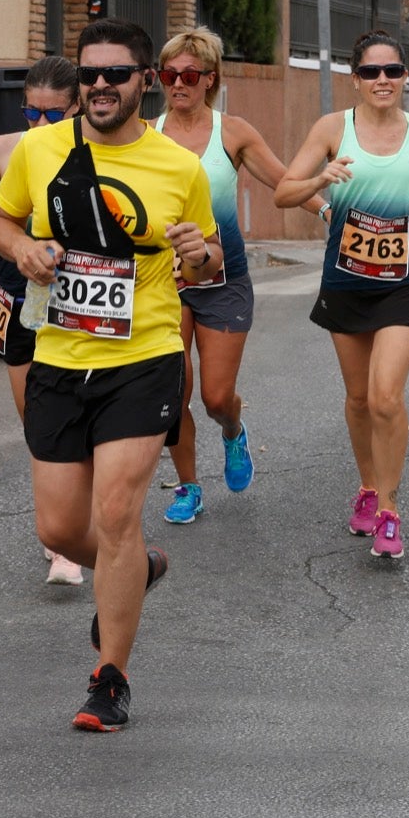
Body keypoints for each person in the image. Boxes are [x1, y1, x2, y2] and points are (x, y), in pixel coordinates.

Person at [0, 18, 221, 731]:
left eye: (116, 74)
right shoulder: (40, 147)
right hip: (57, 356)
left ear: (144, 81)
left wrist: (195, 251)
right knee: (60, 527)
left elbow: (209, 261)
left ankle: (109, 678)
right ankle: (138, 568)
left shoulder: (177, 166)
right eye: (90, 73)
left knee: (115, 514)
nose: (99, 86)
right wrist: (22, 246)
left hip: (143, 357)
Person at [275, 30, 409, 559]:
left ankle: (390, 509)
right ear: (355, 79)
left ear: (405, 76)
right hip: (347, 276)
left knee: (386, 396)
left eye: (392, 71)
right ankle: (368, 486)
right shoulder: (332, 129)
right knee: (357, 398)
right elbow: (284, 192)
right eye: (371, 72)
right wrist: (320, 179)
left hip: (405, 278)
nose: (382, 81)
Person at [154, 27, 315, 524]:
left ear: (210, 79)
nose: (177, 84)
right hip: (165, 282)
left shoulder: (234, 133)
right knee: (172, 391)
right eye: (168, 75)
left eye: (188, 75)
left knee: (216, 396)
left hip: (224, 279)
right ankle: (188, 487)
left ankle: (233, 432)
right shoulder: (146, 135)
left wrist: (331, 211)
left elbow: (285, 182)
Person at [0, 56, 85, 586]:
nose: (40, 125)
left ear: (76, 108)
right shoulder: (7, 149)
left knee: (85, 414)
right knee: (39, 421)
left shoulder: (99, 151)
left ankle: (73, 535)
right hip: (19, 293)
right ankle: (59, 540)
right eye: (31, 112)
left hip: (87, 298)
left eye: (54, 116)